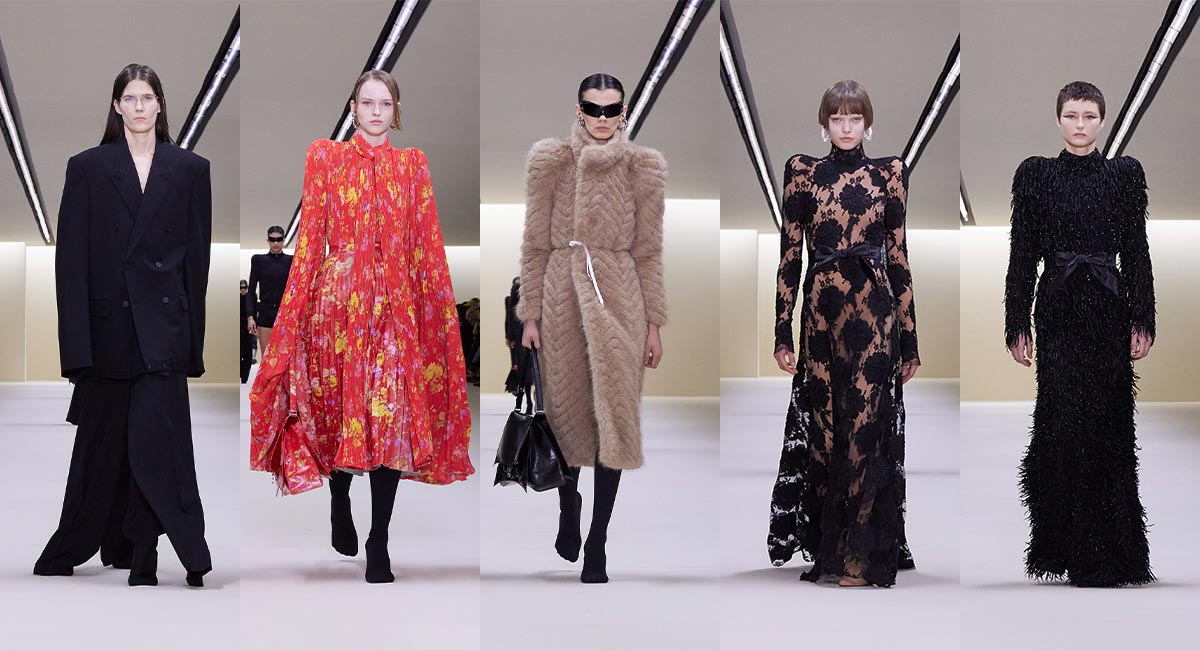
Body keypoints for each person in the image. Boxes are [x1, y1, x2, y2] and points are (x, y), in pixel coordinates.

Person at [249, 70, 473, 583]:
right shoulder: (325, 157)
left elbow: (427, 243)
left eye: (385, 103)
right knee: (339, 413)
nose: (376, 112)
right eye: (367, 103)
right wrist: (292, 317)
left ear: (397, 110)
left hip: (394, 307)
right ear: (352, 108)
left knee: (390, 419)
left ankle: (379, 541)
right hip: (337, 307)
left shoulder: (413, 165)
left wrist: (436, 317)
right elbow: (311, 242)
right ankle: (339, 498)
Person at [34, 63, 212, 587]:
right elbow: (71, 263)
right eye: (129, 98)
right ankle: (101, 541)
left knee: (158, 442)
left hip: (163, 328)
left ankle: (146, 549)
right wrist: (76, 351)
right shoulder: (88, 167)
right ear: (116, 106)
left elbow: (196, 265)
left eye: (147, 97)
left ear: (160, 104)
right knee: (101, 443)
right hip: (109, 327)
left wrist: (192, 344)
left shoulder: (190, 169)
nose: (139, 106)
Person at [767, 80, 919, 588]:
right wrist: (781, 332)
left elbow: (898, 256)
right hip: (820, 317)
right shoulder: (802, 172)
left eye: (855, 118)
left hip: (875, 315)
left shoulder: (890, 173)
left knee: (865, 429)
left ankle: (859, 556)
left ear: (867, 123)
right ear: (825, 123)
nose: (847, 127)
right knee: (827, 429)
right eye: (838, 118)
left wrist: (910, 340)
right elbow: (790, 255)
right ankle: (830, 545)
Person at [517, 73, 667, 584]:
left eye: (612, 109)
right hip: (561, 296)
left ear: (624, 112)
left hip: (620, 297)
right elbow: (535, 243)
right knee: (565, 417)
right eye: (593, 108)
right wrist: (530, 314)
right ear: (578, 109)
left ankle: (598, 541)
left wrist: (653, 323)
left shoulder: (643, 166)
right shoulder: (551, 161)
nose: (603, 118)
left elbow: (649, 250)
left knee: (614, 419)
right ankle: (569, 504)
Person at [1004, 81, 1155, 587]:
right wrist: (1015, 322)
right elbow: (1022, 254)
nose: (1080, 125)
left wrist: (1144, 318)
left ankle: (1114, 552)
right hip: (1058, 313)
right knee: (1062, 422)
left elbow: (1137, 251)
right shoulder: (1036, 175)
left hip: (1109, 311)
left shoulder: (1123, 175)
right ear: (1058, 120)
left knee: (1111, 423)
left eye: (1089, 116)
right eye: (1072, 115)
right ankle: (1065, 545)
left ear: (1102, 121)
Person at [247, 225, 292, 356]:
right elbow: (251, 290)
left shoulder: (292, 261)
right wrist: (250, 316)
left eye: (279, 239)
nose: (276, 243)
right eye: (272, 240)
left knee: (284, 356)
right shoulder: (258, 261)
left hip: (285, 313)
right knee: (267, 356)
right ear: (268, 241)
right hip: (265, 313)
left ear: (283, 240)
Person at [503, 276, 530, 395]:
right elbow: (508, 319)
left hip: (526, 332)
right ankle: (517, 385)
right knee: (515, 360)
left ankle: (526, 385)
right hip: (515, 334)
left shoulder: (527, 300)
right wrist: (508, 336)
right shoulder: (509, 300)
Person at [240, 279, 255, 383]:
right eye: (241, 287)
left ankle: (245, 377)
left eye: (245, 287)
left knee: (248, 353)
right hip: (239, 328)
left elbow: (255, 311)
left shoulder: (251, 298)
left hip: (248, 328)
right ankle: (241, 374)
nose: (243, 289)